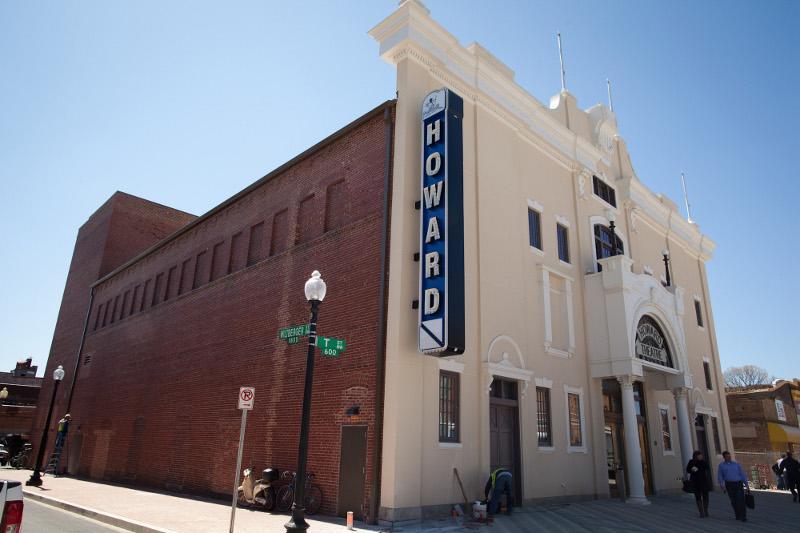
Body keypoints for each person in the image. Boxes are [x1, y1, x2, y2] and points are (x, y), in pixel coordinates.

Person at [717, 451, 749, 522]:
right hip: (729, 484)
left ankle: (743, 516)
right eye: (727, 456)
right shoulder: (721, 466)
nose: (729, 457)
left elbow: (742, 474)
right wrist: (722, 485)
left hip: (738, 483)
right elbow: (720, 476)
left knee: (740, 500)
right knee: (733, 500)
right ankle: (737, 514)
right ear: (724, 457)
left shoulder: (736, 464)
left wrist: (746, 484)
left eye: (729, 456)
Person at [687, 450, 712, 517]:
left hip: (704, 481)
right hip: (695, 482)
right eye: (699, 455)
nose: (700, 456)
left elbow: (707, 468)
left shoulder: (703, 462)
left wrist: (701, 462)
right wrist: (695, 467)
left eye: (701, 455)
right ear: (696, 456)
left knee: (705, 496)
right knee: (698, 497)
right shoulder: (691, 462)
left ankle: (706, 511)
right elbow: (688, 470)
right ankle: (701, 512)